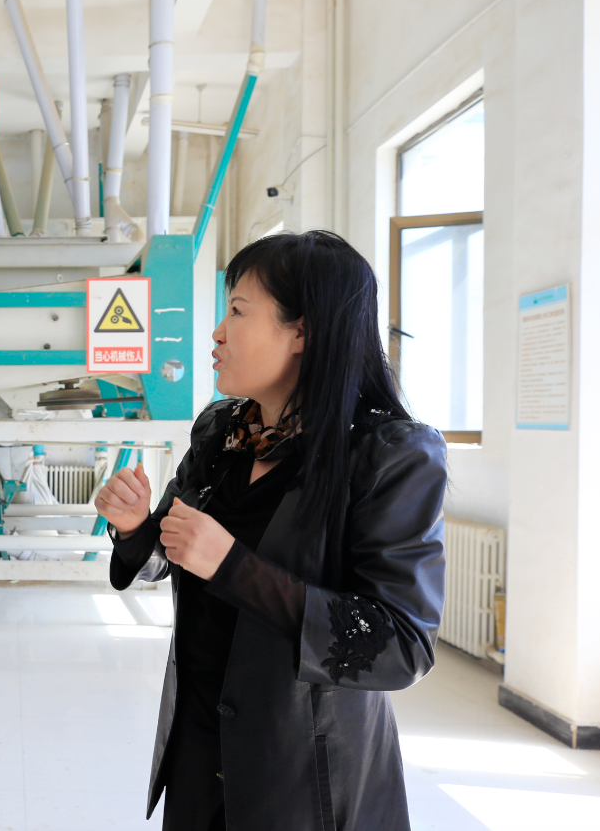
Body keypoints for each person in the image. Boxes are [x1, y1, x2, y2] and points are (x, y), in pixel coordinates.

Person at [96, 230, 446, 831]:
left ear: (302, 331)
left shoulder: (389, 456)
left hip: (305, 773)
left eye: (237, 311)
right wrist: (135, 530)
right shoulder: (222, 432)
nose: (217, 332)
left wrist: (234, 567)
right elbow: (171, 554)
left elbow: (399, 645)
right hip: (199, 749)